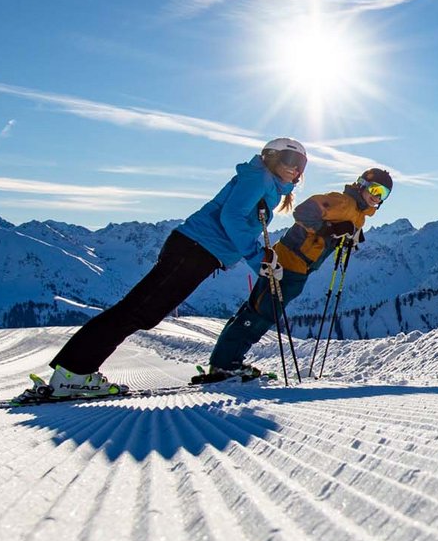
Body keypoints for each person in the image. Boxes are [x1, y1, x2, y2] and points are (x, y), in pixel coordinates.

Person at [16, 138, 308, 403]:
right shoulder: (259, 179)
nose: (294, 169)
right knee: (137, 310)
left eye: (300, 165)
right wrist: (256, 257)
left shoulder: (264, 184)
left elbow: (238, 221)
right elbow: (230, 217)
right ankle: (73, 374)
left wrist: (258, 254)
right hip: (195, 250)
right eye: (288, 160)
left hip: (197, 251)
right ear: (270, 157)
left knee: (140, 310)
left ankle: (73, 372)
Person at [195, 167, 393, 383]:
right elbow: (303, 212)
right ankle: (225, 365)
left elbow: (337, 229)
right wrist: (330, 229)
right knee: (261, 313)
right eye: (375, 189)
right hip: (287, 261)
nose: (376, 197)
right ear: (361, 184)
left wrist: (349, 234)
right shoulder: (342, 202)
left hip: (300, 268)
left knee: (261, 311)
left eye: (383, 194)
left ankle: (226, 362)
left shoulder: (358, 214)